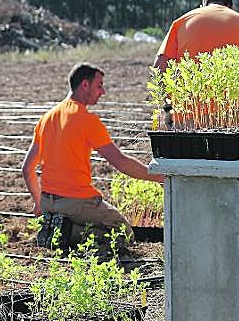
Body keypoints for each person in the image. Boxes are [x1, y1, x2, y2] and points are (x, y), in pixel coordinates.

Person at [22, 63, 163, 247]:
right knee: (125, 235)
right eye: (99, 85)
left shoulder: (47, 118)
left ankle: (55, 227)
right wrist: (155, 176)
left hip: (49, 201)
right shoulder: (87, 120)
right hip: (78, 203)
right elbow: (119, 162)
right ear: (85, 85)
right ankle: (68, 231)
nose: (102, 91)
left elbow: (27, 169)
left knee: (88, 223)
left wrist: (39, 203)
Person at [153, 0, 239, 72]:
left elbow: (160, 65)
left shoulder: (182, 22)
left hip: (191, 85)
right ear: (231, 6)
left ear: (203, 5)